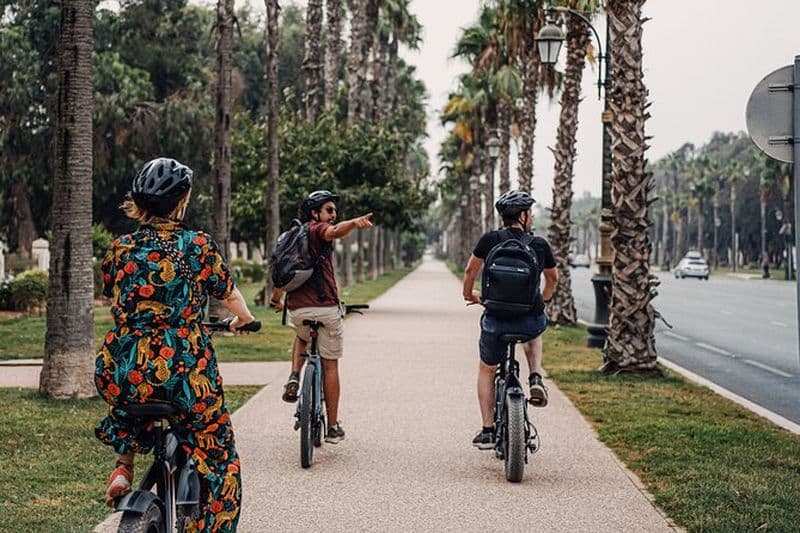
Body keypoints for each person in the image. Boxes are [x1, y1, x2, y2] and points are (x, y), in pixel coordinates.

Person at [95, 157, 257, 531]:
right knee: (219, 461)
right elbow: (232, 299)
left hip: (124, 368)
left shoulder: (119, 249)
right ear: (181, 201)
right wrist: (244, 320)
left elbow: (114, 298)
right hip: (184, 373)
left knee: (130, 403)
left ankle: (124, 466)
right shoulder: (197, 246)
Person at [269, 190, 373, 444]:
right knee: (330, 365)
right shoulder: (318, 230)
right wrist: (353, 223)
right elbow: (334, 232)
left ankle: (295, 374)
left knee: (301, 335)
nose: (333, 215)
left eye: (334, 211)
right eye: (329, 210)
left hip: (297, 309)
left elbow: (284, 269)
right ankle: (333, 426)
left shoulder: (293, 236)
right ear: (315, 213)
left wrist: (276, 297)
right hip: (325, 308)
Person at [461, 190, 558, 449]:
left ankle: (487, 430)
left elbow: (471, 270)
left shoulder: (490, 240)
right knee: (536, 327)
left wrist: (469, 294)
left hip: (496, 319)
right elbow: (553, 279)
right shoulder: (538, 244)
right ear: (524, 216)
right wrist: (542, 301)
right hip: (528, 319)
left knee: (487, 368)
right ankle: (535, 376)